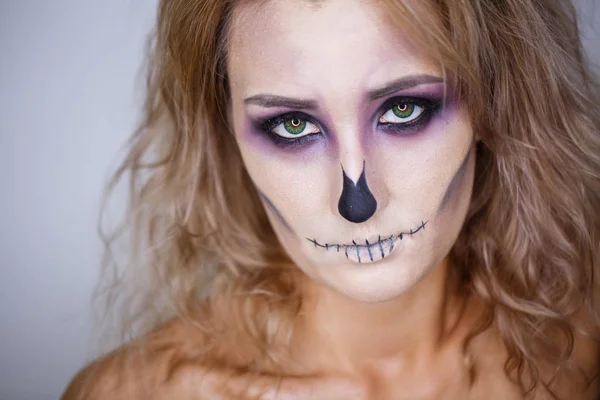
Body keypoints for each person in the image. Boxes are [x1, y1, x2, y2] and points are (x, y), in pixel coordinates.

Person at [62, 0, 600, 398]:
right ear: (224, 131)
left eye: (404, 110)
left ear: (494, 103)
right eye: (293, 125)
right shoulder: (143, 392)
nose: (356, 201)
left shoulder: (581, 355)